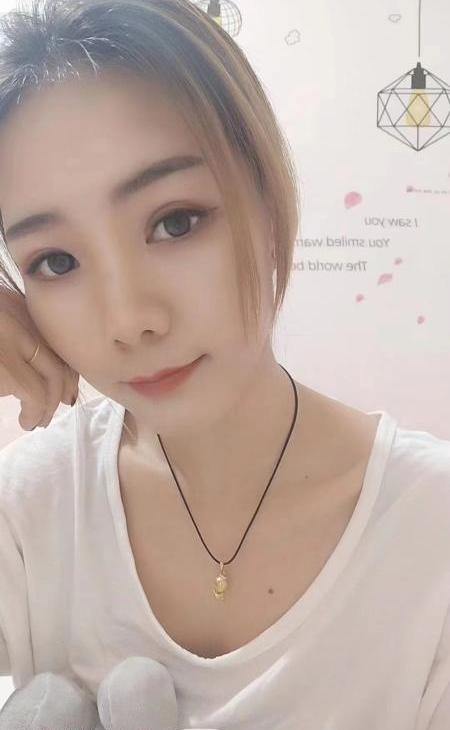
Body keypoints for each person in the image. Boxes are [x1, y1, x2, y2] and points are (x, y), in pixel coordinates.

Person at [0, 0, 449, 727]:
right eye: (55, 261)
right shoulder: (31, 508)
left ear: (268, 196)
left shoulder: (431, 531)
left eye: (175, 221)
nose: (129, 319)